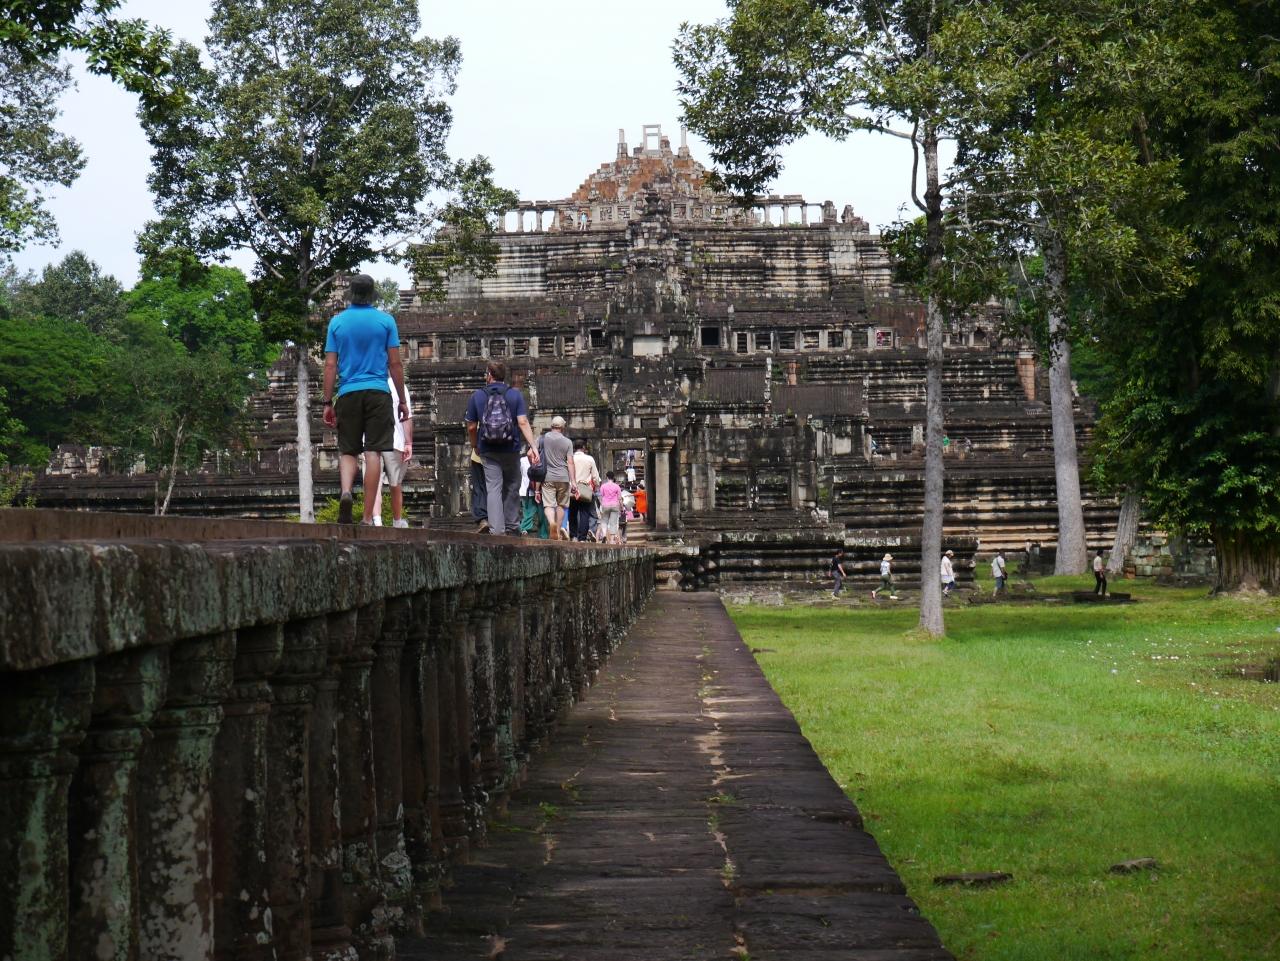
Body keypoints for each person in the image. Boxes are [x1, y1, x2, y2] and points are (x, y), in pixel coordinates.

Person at [321, 273, 408, 525]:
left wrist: (327, 402)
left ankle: (346, 492)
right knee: (373, 453)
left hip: (348, 391)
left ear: (352, 295)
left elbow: (330, 365)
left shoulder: (337, 323)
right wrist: (402, 400)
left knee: (348, 450)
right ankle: (368, 517)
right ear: (372, 296)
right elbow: (395, 363)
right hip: (378, 392)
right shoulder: (386, 321)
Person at [465, 360, 539, 536]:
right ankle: (512, 525)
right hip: (511, 448)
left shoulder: (477, 396)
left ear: (489, 375)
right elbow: (523, 422)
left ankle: (497, 531)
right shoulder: (514, 395)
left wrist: (475, 445)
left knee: (493, 488)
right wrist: (533, 446)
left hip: (487, 449)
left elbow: (471, 427)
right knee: (512, 485)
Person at [369, 374, 413, 528]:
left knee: (375, 482)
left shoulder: (367, 384)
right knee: (395, 484)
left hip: (372, 440)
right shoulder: (398, 386)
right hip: (394, 441)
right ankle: (396, 521)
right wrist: (408, 443)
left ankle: (377, 521)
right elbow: (406, 416)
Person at [539, 417, 576, 540]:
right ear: (562, 427)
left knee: (548, 505)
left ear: (552, 426)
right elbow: (570, 463)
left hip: (547, 477)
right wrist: (573, 482)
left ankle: (552, 523)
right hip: (563, 478)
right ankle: (558, 531)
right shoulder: (568, 442)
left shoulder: (542, 438)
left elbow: (530, 453)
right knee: (561, 505)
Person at [570, 440, 600, 541]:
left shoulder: (570, 458)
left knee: (572, 512)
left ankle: (573, 535)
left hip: (572, 487)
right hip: (585, 488)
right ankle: (582, 537)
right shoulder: (589, 459)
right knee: (584, 513)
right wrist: (596, 486)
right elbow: (595, 476)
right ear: (583, 447)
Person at [598, 471, 623, 544]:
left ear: (607, 477)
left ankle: (604, 535)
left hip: (605, 505)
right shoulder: (617, 486)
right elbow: (620, 498)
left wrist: (602, 504)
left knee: (604, 521)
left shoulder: (603, 486)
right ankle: (612, 540)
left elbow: (600, 497)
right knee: (613, 523)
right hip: (615, 506)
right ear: (613, 477)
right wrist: (622, 507)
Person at [469, 448, 488, 534]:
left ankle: (483, 519)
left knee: (479, 487)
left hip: (480, 454)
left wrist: (475, 446)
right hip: (504, 454)